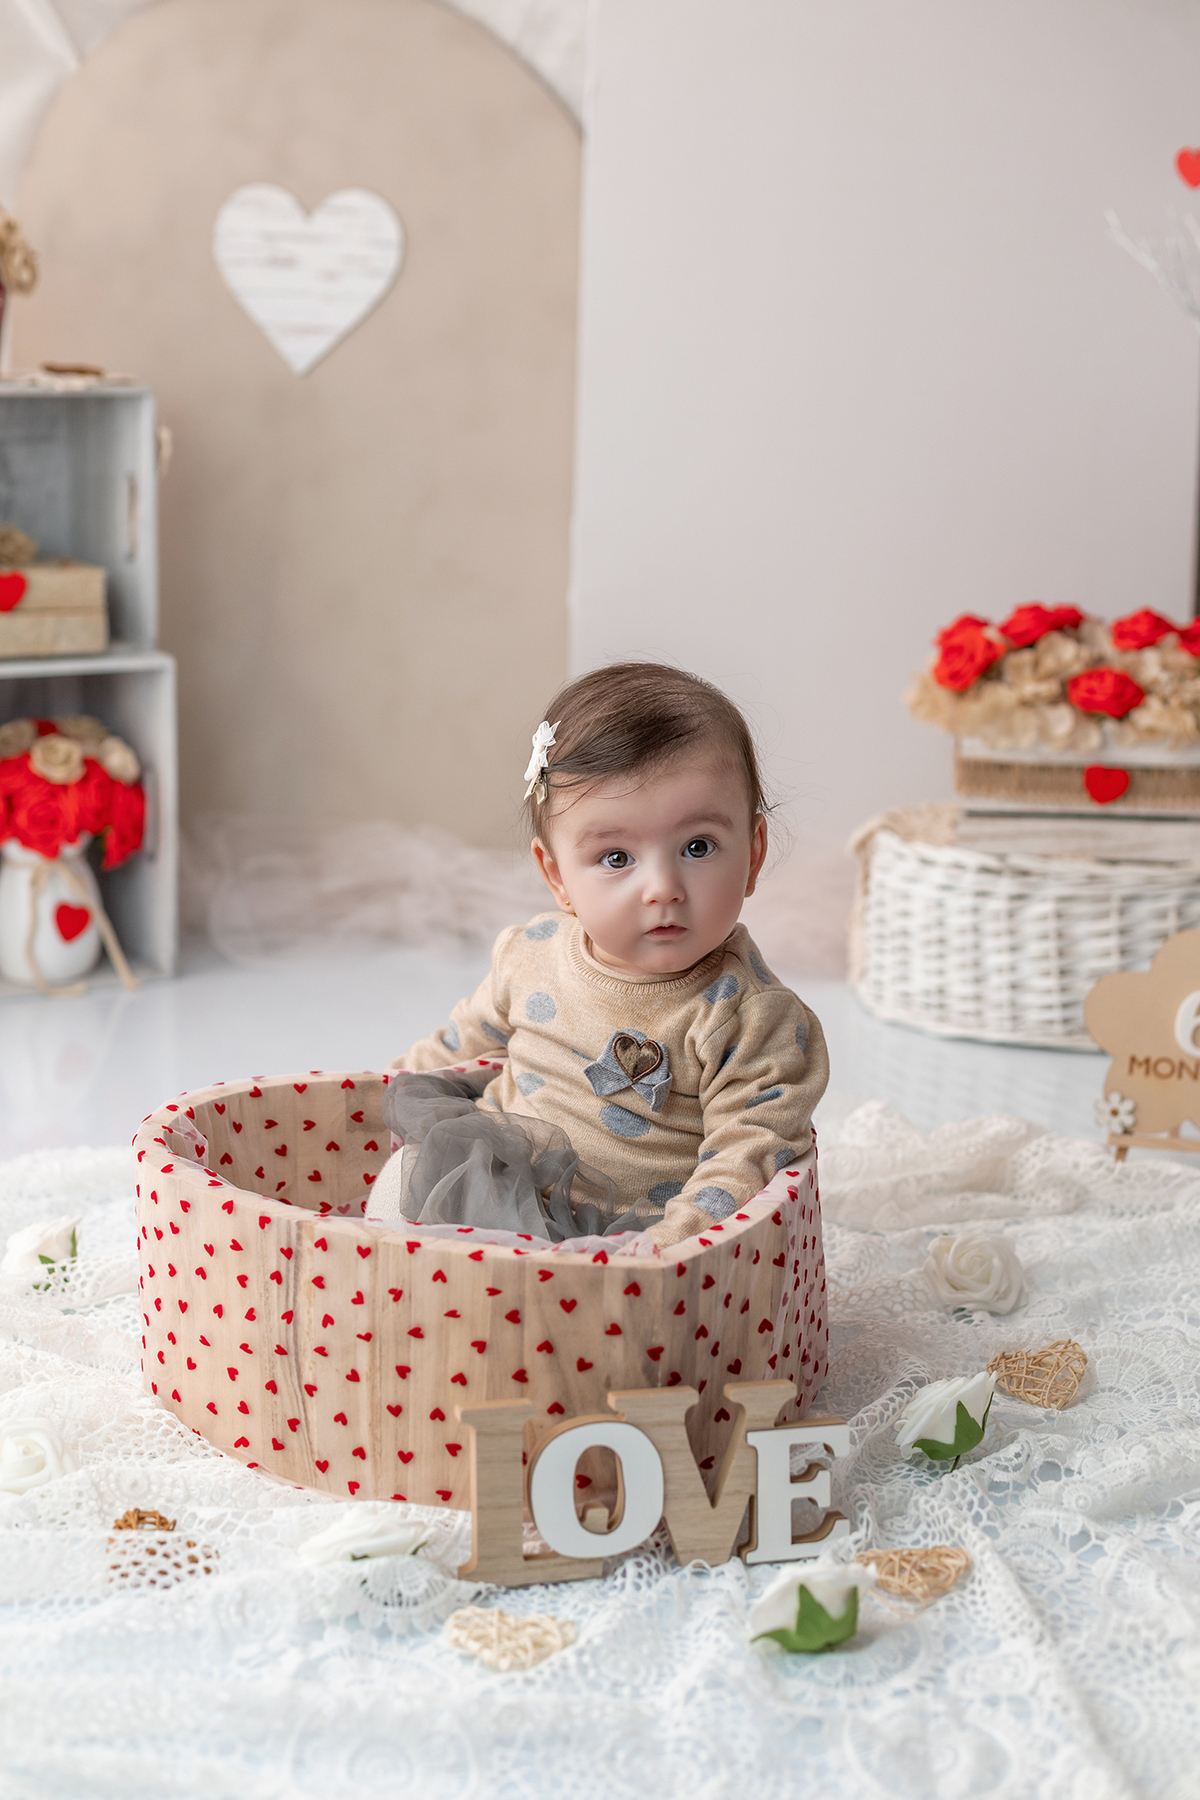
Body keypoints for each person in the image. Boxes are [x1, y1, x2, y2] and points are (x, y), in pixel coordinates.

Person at [381, 662, 828, 1248]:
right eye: (617, 858)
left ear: (754, 853)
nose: (662, 887)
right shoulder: (533, 953)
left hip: (630, 1234)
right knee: (402, 1185)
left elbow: (747, 1155)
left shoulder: (753, 1019)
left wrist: (668, 1248)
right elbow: (458, 1045)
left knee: (577, 1315)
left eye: (697, 846)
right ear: (556, 876)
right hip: (491, 1180)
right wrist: (381, 1089)